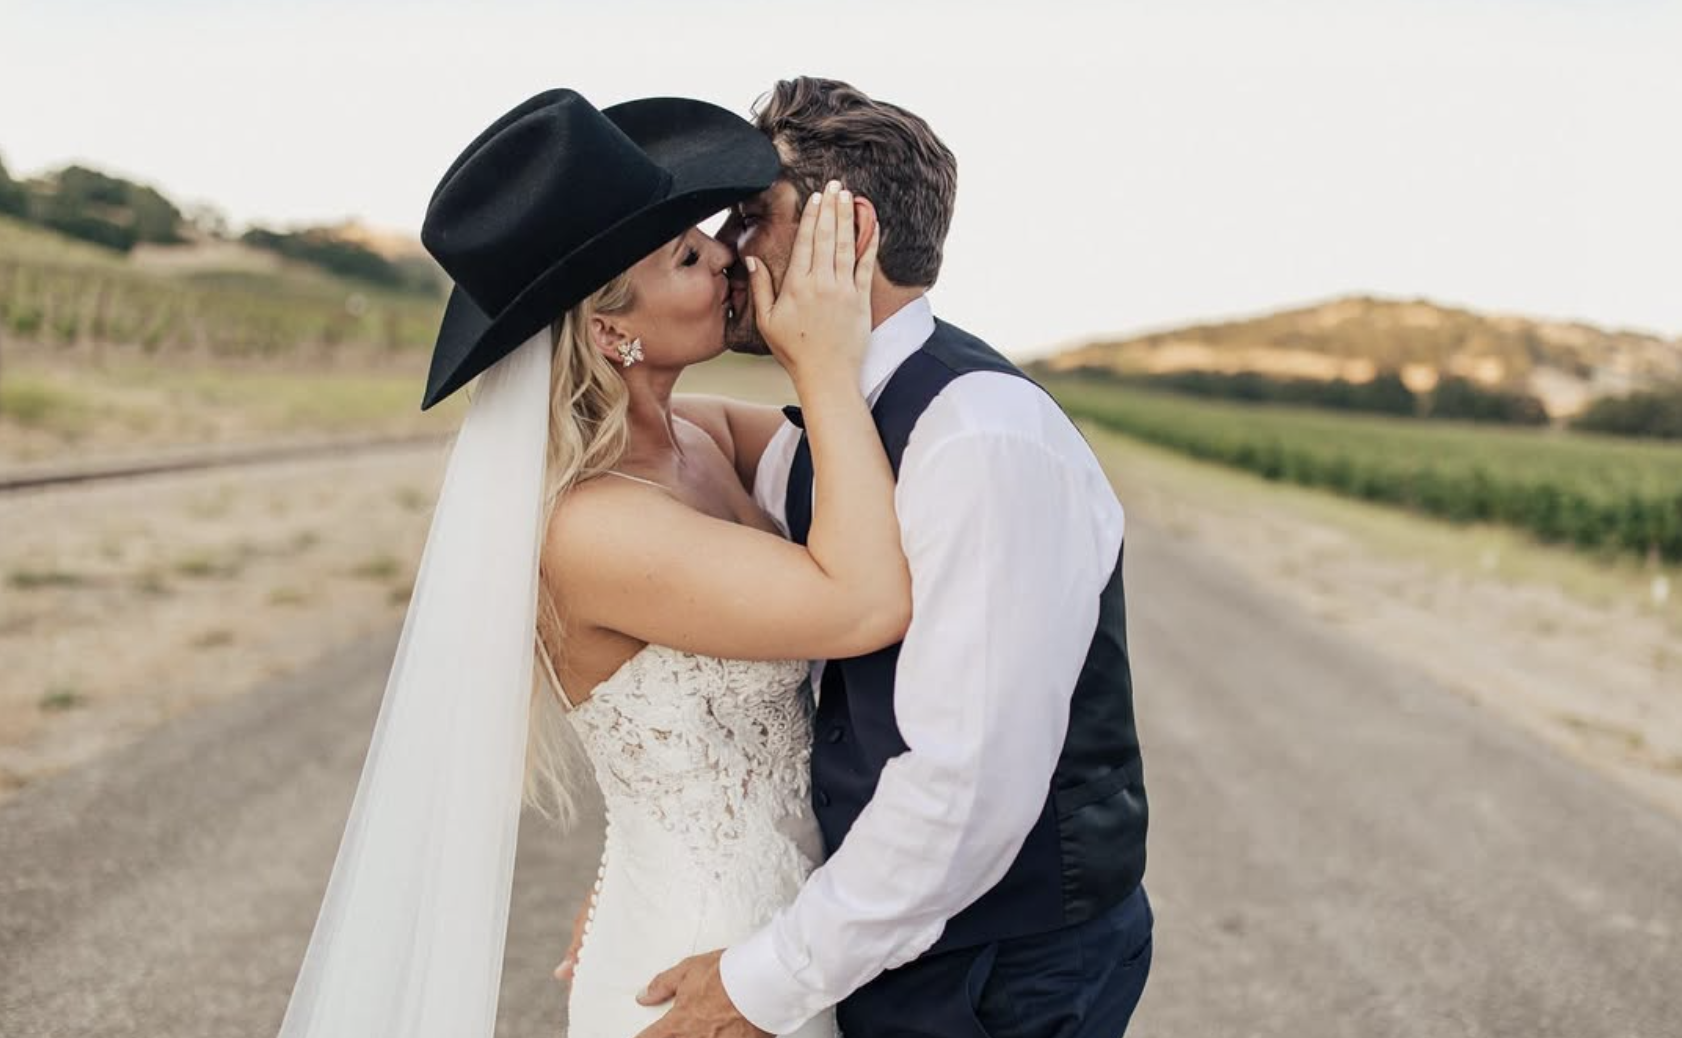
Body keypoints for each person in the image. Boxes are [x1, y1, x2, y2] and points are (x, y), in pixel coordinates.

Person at [275, 88, 896, 1038]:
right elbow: (860, 602)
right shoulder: (596, 527)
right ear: (612, 330)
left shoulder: (701, 438)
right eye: (688, 256)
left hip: (765, 942)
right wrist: (820, 367)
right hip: (695, 962)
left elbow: (880, 472)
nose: (727, 255)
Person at [623, 78, 1154, 1038]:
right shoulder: (815, 431)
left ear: (849, 234)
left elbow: (966, 787)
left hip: (997, 969)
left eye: (752, 217)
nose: (731, 253)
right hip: (886, 941)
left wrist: (766, 982)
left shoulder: (977, 437)